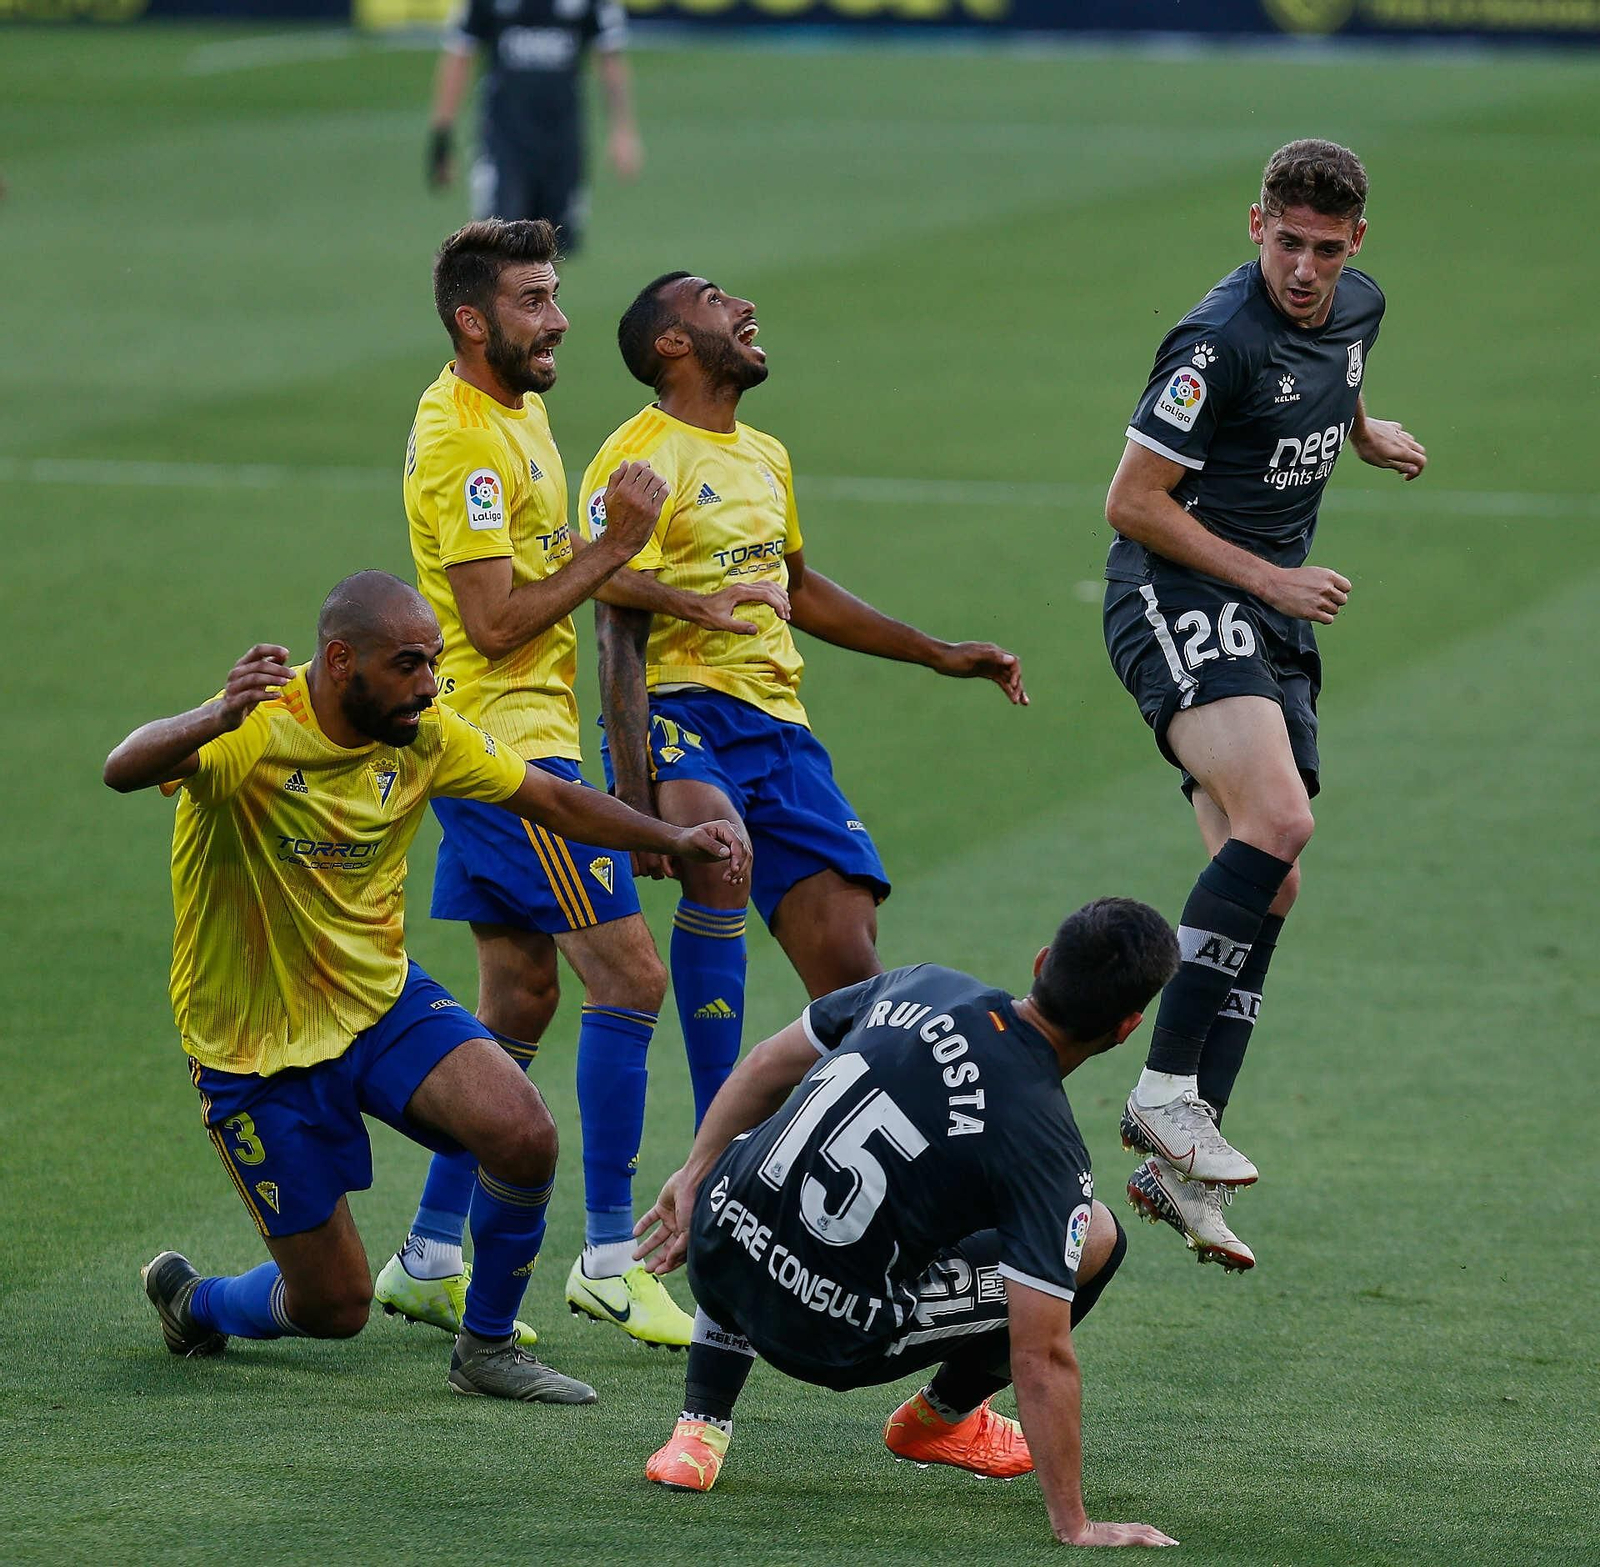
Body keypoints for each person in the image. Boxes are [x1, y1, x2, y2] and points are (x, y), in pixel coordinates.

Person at [107, 571, 748, 1401]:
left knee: (524, 1133)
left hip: (378, 1002)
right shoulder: (255, 731)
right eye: (409, 665)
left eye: (434, 663)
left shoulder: (426, 733)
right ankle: (198, 1301)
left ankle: (486, 1349)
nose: (427, 685)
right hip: (252, 1044)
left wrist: (674, 837)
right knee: (333, 1305)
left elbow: (551, 796)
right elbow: (124, 767)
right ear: (341, 662)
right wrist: (212, 715)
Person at [377, 219, 786, 1351]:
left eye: (555, 296)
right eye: (533, 301)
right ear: (474, 320)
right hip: (504, 749)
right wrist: (622, 544)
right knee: (630, 974)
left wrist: (679, 595)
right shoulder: (461, 436)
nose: (557, 320)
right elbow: (494, 619)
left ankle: (427, 1255)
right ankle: (611, 1257)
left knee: (518, 997)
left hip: (515, 728)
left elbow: (554, 571)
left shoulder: (520, 407)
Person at [583, 271, 1027, 1134]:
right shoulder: (635, 460)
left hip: (778, 729)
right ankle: (716, 1141)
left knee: (857, 983)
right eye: (715, 300)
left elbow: (798, 588)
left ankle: (845, 1149)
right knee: (720, 851)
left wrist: (937, 653)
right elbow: (614, 620)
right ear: (671, 343)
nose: (745, 307)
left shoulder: (765, 454)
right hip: (681, 709)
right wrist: (631, 798)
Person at [1102, 140, 1426, 1269]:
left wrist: (1362, 431)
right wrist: (1272, 577)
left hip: (1265, 618)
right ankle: (1159, 1094)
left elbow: (1328, 370)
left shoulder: (1356, 307)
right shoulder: (1214, 339)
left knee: (1271, 881)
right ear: (1255, 225)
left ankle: (1180, 1165)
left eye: (1324, 251)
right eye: (1285, 243)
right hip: (1180, 589)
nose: (1302, 269)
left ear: (1355, 246)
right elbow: (1132, 501)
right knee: (1281, 823)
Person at [631, 899, 1180, 1550]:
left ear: (1042, 963)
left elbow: (763, 1066)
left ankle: (700, 1423)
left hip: (715, 1245)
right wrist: (1076, 1524)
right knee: (1092, 1238)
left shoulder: (926, 982)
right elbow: (1042, 1354)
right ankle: (941, 1420)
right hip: (824, 1335)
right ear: (1126, 1027)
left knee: (776, 1135)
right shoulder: (1045, 1145)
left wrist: (693, 1174)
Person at [425, 0, 639, 253]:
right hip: (504, 143)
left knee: (549, 252)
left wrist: (623, 132)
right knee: (498, 246)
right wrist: (442, 139)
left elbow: (609, 57)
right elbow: (460, 56)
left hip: (563, 143)